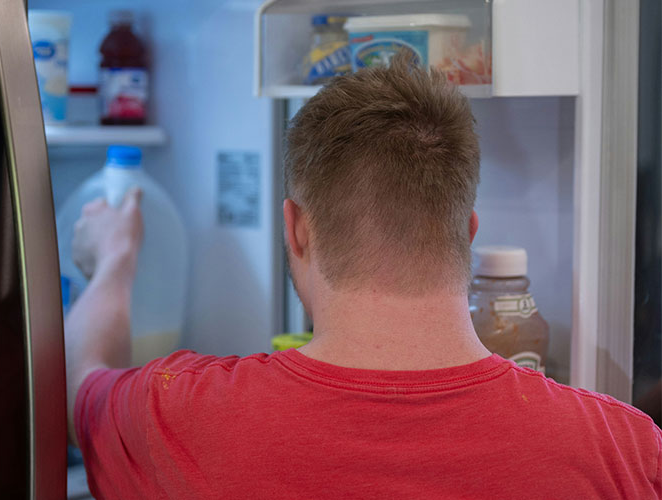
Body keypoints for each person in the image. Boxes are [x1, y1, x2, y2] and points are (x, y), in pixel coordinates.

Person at [66, 53, 662, 499]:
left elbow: (77, 380)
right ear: (468, 232)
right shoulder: (622, 449)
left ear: (295, 229)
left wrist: (114, 261)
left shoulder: (179, 415)